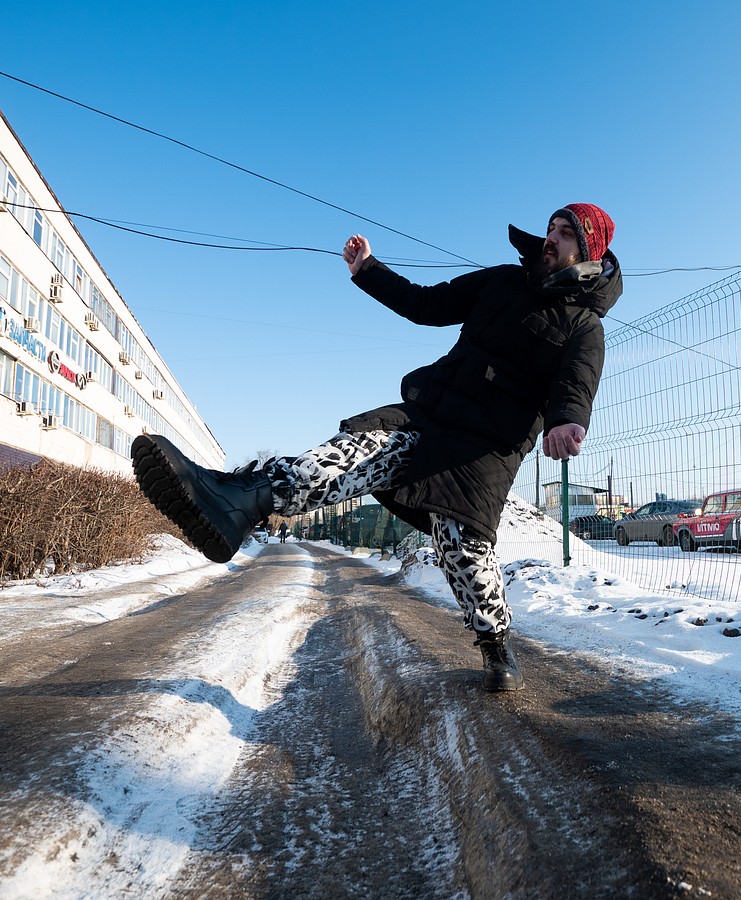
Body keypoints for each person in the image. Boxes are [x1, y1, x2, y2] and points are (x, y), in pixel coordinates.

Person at [132, 203, 621, 692]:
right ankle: (236, 499)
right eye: (551, 228)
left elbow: (577, 383)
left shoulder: (584, 327)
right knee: (355, 452)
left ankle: (495, 642)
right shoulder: (503, 280)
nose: (551, 238)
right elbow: (427, 305)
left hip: (482, 451)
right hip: (431, 413)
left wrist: (568, 422)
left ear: (589, 251)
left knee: (461, 547)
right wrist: (369, 270)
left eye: (566, 234)